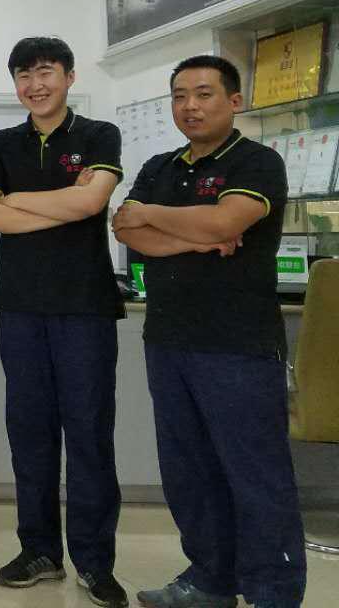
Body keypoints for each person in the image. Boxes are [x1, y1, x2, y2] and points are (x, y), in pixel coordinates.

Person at [114, 55, 304, 608]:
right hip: (169, 339)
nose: (189, 106)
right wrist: (198, 236)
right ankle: (210, 580)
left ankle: (273, 592)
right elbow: (126, 227)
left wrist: (165, 217)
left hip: (238, 344)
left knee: (254, 474)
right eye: (179, 96)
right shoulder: (160, 166)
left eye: (203, 94)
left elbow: (225, 221)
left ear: (234, 101)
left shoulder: (257, 161)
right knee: (189, 472)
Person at [0, 36, 128, 608]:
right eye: (24, 76)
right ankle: (38, 550)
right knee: (30, 434)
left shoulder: (99, 135)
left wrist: (15, 200)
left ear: (68, 76)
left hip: (84, 308)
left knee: (88, 435)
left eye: (45, 73)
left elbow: (90, 205)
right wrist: (60, 201)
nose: (35, 86)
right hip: (20, 307)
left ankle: (94, 560)